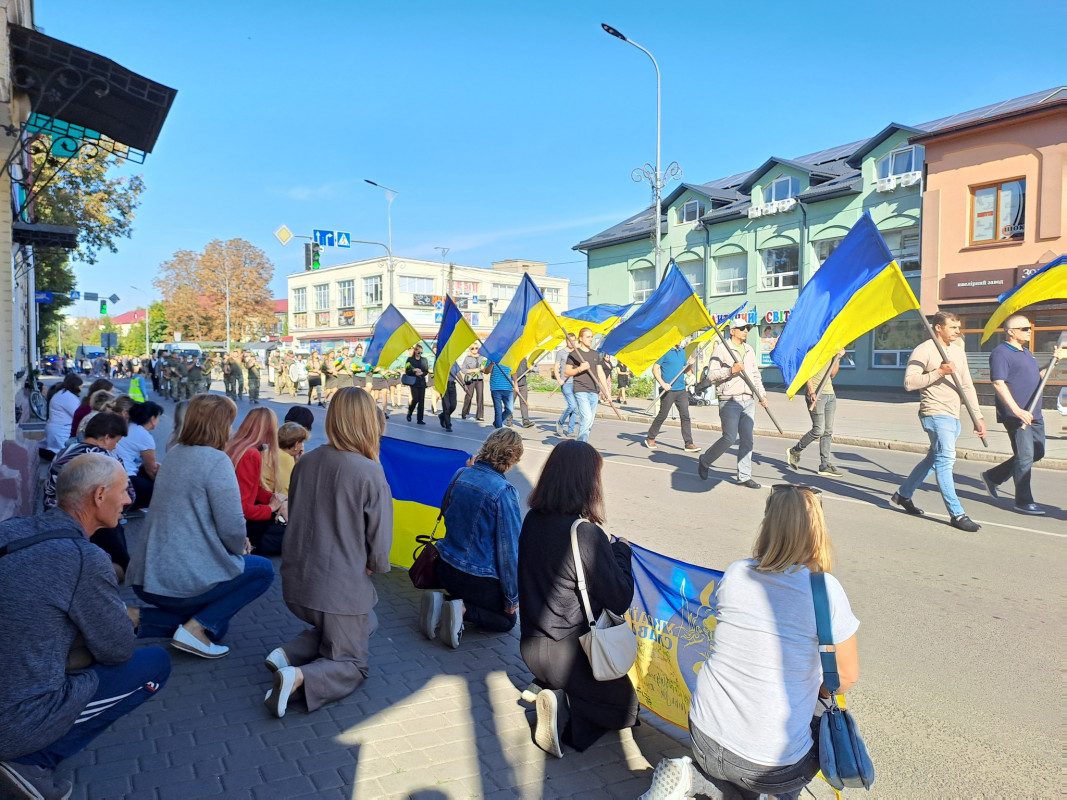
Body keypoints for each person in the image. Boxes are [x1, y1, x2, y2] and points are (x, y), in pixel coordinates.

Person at [640, 484, 860, 800]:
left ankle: (692, 777)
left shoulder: (736, 572)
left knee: (740, 774)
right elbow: (846, 677)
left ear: (767, 525)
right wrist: (819, 690)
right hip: (768, 764)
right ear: (817, 532)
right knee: (817, 715)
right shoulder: (824, 590)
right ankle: (759, 791)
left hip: (704, 735)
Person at [0, 454, 170, 800]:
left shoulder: (10, 529)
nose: (128, 500)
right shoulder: (84, 558)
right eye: (124, 491)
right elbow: (117, 649)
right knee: (154, 663)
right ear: (99, 495)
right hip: (12, 718)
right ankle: (31, 761)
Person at [265, 387, 392, 718]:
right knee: (353, 663)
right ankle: (299, 677)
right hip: (338, 589)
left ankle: (290, 654)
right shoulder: (368, 470)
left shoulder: (306, 461)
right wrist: (373, 565)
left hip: (297, 581)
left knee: (365, 620)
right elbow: (379, 547)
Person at [126, 394, 275, 659]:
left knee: (218, 627)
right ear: (219, 425)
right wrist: (240, 547)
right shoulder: (217, 461)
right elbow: (232, 525)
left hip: (147, 574)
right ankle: (191, 628)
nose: (231, 430)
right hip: (178, 579)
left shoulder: (174, 453)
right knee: (263, 570)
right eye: (229, 423)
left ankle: (140, 619)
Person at [518, 440, 636, 758]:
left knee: (593, 690)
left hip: (530, 647)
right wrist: (621, 552)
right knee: (626, 709)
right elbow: (620, 597)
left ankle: (547, 687)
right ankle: (558, 705)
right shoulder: (585, 533)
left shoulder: (533, 519)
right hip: (571, 657)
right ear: (586, 482)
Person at [419, 428, 524, 648]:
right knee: (507, 620)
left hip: (445, 568)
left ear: (486, 447)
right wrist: (511, 599)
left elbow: (447, 513)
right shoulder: (504, 491)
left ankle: (443, 602)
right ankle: (461, 609)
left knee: (466, 592)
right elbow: (509, 551)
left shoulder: (460, 474)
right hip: (477, 579)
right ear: (513, 458)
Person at [891, 311, 986, 532]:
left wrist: (977, 416)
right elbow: (909, 382)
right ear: (938, 328)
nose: (958, 331)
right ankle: (957, 514)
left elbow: (967, 386)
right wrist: (939, 372)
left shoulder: (958, 352)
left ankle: (903, 495)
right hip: (934, 412)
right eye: (953, 327)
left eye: (958, 327)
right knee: (946, 460)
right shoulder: (924, 350)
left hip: (954, 414)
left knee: (933, 459)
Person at [981, 315, 1065, 515]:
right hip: (1017, 415)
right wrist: (1017, 410)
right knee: (1025, 455)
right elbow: (998, 383)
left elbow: (1038, 378)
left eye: (1030, 328)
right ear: (1011, 332)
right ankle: (1023, 501)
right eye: (1025, 328)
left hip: (1034, 412)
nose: (1030, 331)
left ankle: (993, 477)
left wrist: (1054, 361)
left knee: (1037, 452)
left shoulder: (1026, 352)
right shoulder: (1001, 353)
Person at [43, 412, 135, 579]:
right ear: (107, 438)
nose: (115, 446)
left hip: (54, 518)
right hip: (89, 522)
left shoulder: (64, 452)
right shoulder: (106, 459)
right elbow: (129, 496)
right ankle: (89, 576)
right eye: (117, 441)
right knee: (124, 567)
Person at [698, 319, 769, 488]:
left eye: (748, 328)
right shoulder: (721, 349)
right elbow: (711, 375)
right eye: (742, 328)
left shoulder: (749, 349)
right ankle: (705, 460)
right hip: (729, 400)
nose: (746, 331)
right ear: (732, 331)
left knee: (747, 440)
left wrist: (762, 395)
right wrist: (731, 371)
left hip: (748, 400)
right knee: (729, 438)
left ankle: (744, 476)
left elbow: (755, 375)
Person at [225, 407, 287, 556]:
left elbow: (252, 488)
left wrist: (274, 499)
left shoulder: (236, 446)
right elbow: (243, 507)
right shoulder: (251, 454)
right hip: (244, 525)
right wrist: (271, 508)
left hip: (235, 520)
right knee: (291, 537)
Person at [787, 349, 847, 477]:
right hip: (816, 395)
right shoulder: (814, 351)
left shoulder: (831, 351)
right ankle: (795, 451)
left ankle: (824, 465)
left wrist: (838, 358)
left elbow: (832, 374)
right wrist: (811, 391)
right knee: (819, 430)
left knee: (828, 431)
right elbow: (807, 373)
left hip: (830, 395)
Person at [645, 342, 700, 453]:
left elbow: (684, 369)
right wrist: (663, 383)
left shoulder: (682, 352)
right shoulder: (664, 351)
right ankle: (650, 437)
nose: (680, 340)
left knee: (685, 416)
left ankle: (688, 443)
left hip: (681, 390)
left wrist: (690, 364)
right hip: (668, 390)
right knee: (663, 415)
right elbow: (655, 369)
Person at [114, 401, 163, 510]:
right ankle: (125, 507)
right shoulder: (145, 436)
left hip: (115, 471)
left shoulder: (129, 426)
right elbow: (151, 469)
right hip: (126, 476)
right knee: (159, 492)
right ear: (152, 419)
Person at [565, 327, 610, 443]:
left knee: (590, 421)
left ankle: (581, 443)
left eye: (592, 337)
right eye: (588, 337)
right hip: (580, 390)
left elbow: (600, 373)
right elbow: (567, 372)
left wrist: (607, 392)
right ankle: (581, 445)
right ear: (581, 338)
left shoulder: (595, 354)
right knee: (587, 417)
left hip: (593, 391)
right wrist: (580, 369)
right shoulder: (574, 354)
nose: (591, 339)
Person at [44, 372, 83, 454]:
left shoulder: (63, 394)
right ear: (75, 386)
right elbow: (79, 415)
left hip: (59, 430)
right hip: (62, 432)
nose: (81, 389)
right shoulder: (68, 397)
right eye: (80, 386)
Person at [271, 421, 310, 495]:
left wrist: (297, 461)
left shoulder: (270, 451)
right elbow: (286, 490)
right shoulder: (287, 460)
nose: (302, 446)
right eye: (301, 443)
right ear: (296, 445)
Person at [554, 333, 578, 437]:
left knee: (575, 408)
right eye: (569, 340)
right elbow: (556, 368)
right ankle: (560, 422)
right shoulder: (561, 352)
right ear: (566, 341)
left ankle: (570, 430)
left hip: (576, 382)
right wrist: (559, 379)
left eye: (573, 340)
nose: (571, 342)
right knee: (572, 405)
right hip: (566, 383)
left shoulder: (577, 353)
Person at [485, 360, 515, 429]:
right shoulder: (492, 357)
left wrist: (515, 384)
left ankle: (497, 422)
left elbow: (513, 372)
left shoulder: (510, 357)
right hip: (496, 388)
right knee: (498, 410)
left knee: (510, 409)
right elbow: (486, 372)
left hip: (508, 388)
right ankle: (499, 430)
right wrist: (492, 363)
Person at [404, 344, 429, 424]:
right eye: (418, 352)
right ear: (415, 351)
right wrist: (414, 370)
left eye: (421, 353)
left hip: (421, 382)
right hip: (414, 382)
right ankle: (410, 412)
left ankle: (420, 419)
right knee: (415, 399)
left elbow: (426, 371)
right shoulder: (410, 360)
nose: (419, 354)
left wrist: (422, 373)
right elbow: (407, 371)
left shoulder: (424, 360)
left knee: (421, 401)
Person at [460, 344, 485, 421]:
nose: (475, 349)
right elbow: (463, 370)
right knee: (469, 396)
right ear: (470, 349)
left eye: (476, 348)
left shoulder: (482, 358)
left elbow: (484, 370)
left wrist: (483, 369)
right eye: (473, 348)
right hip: (471, 379)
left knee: (480, 397)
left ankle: (480, 415)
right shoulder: (467, 358)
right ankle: (464, 412)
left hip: (479, 379)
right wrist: (474, 370)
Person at [437, 360, 461, 432]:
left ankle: (442, 416)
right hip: (444, 385)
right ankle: (448, 425)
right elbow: (437, 373)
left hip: (452, 385)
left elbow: (458, 373)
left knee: (453, 405)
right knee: (446, 406)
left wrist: (464, 384)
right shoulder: (440, 361)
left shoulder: (453, 361)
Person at [512, 357, 535, 428]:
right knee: (510, 403)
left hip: (523, 384)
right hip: (512, 384)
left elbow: (526, 370)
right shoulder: (513, 358)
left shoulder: (524, 359)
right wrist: (514, 383)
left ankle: (526, 421)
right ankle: (509, 420)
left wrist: (530, 368)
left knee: (524, 403)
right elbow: (511, 371)